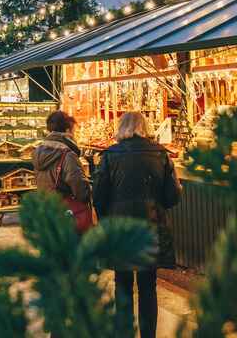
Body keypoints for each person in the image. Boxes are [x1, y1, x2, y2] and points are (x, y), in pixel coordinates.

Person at [92, 112, 183, 338]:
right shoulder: (161, 154)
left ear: (122, 128)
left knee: (122, 284)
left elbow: (99, 196)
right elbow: (172, 197)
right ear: (146, 127)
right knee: (147, 286)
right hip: (150, 227)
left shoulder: (109, 155)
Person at [32, 111, 91, 204]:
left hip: (45, 206)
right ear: (68, 131)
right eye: (74, 131)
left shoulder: (39, 151)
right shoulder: (67, 154)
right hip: (65, 210)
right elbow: (80, 190)